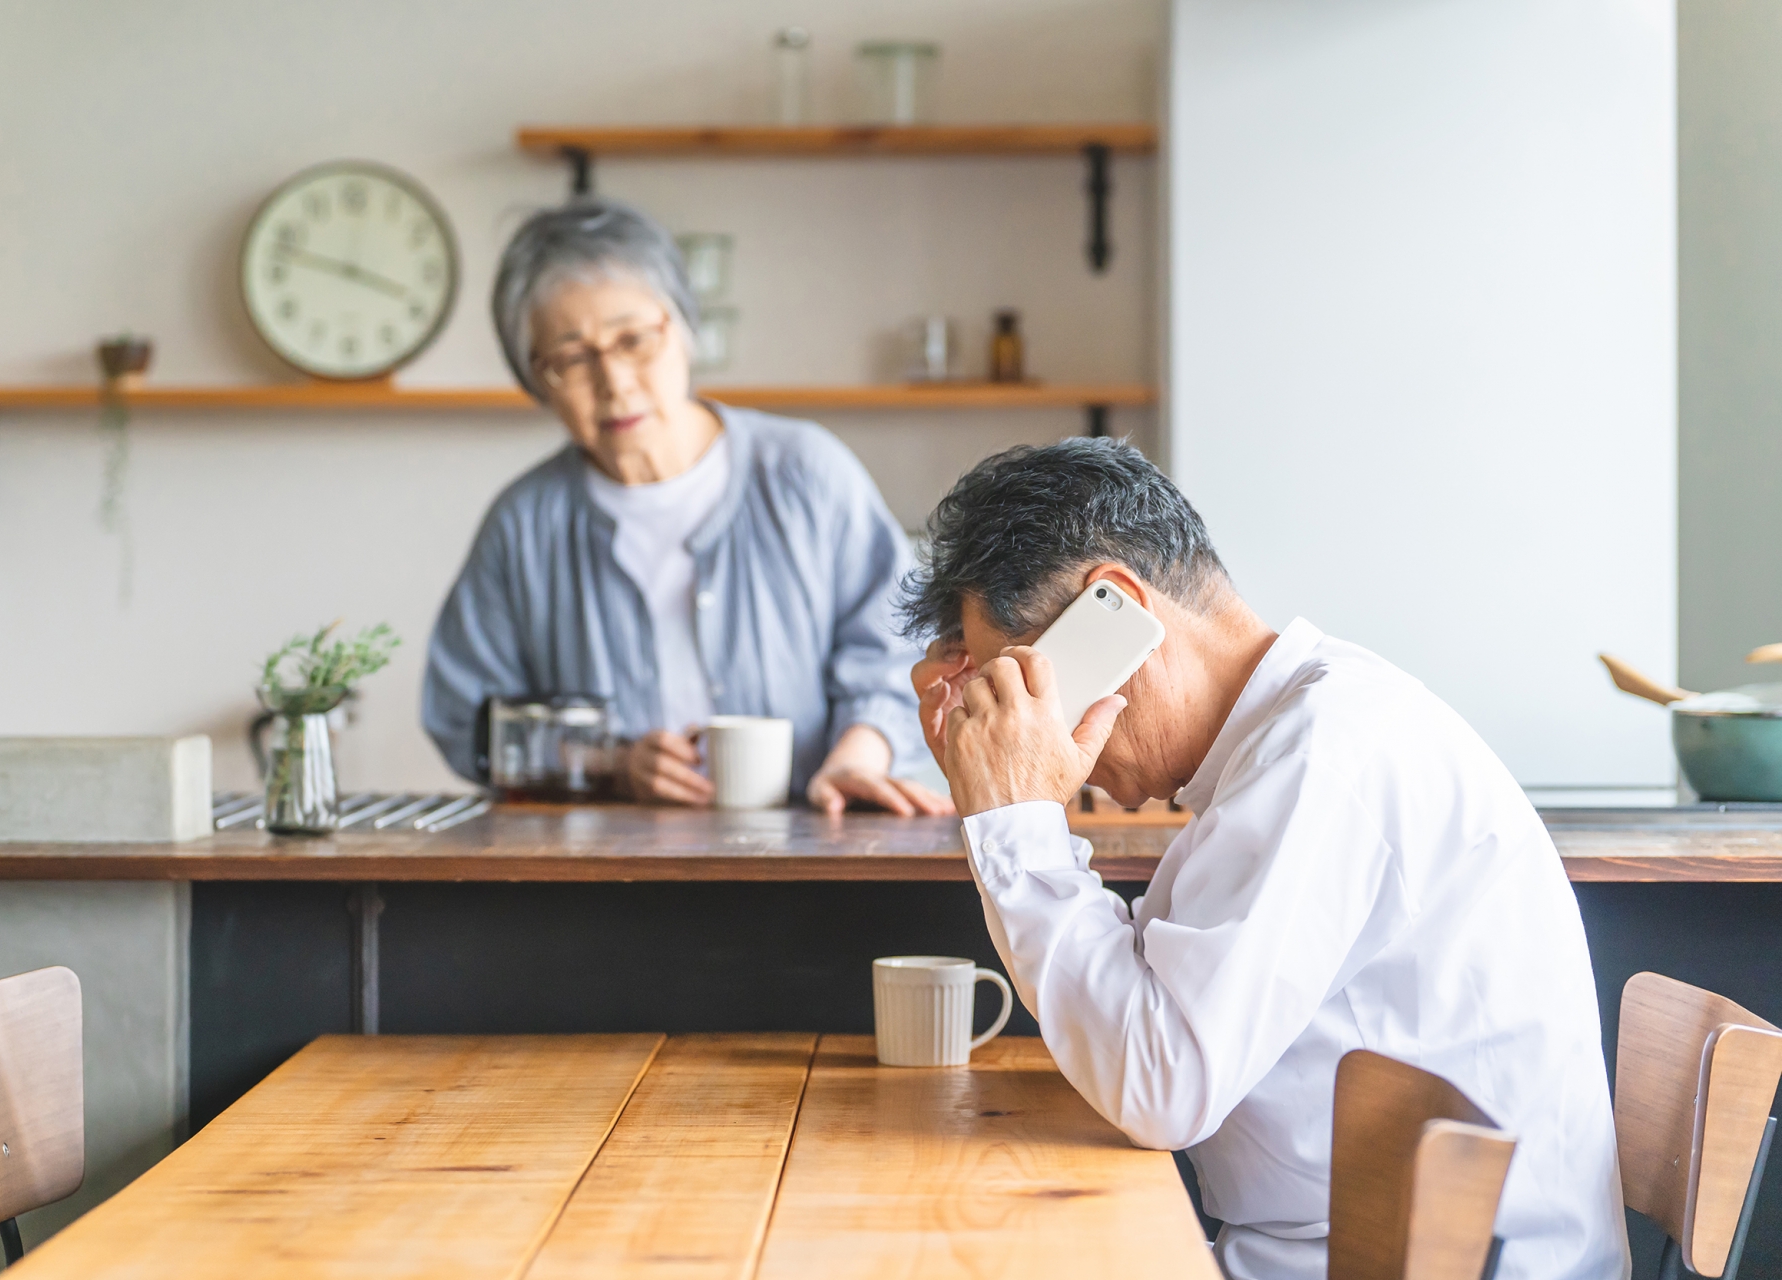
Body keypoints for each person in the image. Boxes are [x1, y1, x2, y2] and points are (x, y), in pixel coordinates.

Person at [904, 439, 1626, 1280]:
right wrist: (1009, 808)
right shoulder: (1296, 740)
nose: (1035, 727)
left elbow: (1161, 1085)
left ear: (1117, 609)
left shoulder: (1326, 755)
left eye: (1024, 684)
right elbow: (1154, 1026)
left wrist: (1016, 821)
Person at [423, 198, 948, 816]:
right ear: (535, 379)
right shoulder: (524, 524)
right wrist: (610, 764)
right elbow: (466, 716)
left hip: (816, 856)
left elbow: (906, 645)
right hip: (615, 880)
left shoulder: (806, 472)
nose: (614, 381)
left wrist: (859, 758)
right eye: (571, 358)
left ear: (685, 326)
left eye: (633, 340)